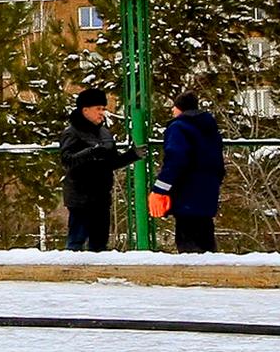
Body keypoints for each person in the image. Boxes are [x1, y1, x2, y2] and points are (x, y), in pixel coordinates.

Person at [56, 87, 135, 252]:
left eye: (103, 109)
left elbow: (111, 162)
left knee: (100, 244)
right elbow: (67, 160)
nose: (102, 113)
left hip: (101, 196)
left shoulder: (104, 133)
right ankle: (71, 274)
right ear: (85, 110)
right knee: (76, 242)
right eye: (98, 109)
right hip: (80, 197)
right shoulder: (71, 133)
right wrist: (90, 152)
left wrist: (132, 155)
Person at [150, 92, 225, 253]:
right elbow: (218, 162)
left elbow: (175, 159)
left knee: (188, 242)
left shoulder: (179, 127)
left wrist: (160, 189)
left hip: (186, 192)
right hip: (208, 191)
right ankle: (211, 275)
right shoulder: (209, 128)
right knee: (205, 238)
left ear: (179, 108)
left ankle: (192, 275)